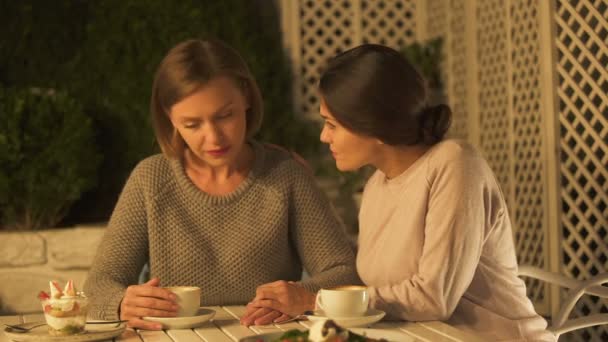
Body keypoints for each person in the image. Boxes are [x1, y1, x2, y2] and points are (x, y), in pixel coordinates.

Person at [246, 44, 555, 341]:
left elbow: (434, 298)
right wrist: (290, 305)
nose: (324, 136)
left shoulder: (454, 163)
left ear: (374, 123)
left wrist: (313, 301)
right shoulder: (375, 187)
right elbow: (377, 296)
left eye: (332, 124)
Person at [84, 39, 359, 330]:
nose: (214, 138)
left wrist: (304, 295)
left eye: (225, 116)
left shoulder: (286, 175)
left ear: (246, 98)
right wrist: (120, 302)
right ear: (169, 118)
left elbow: (343, 273)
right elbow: (98, 285)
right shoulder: (151, 179)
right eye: (192, 124)